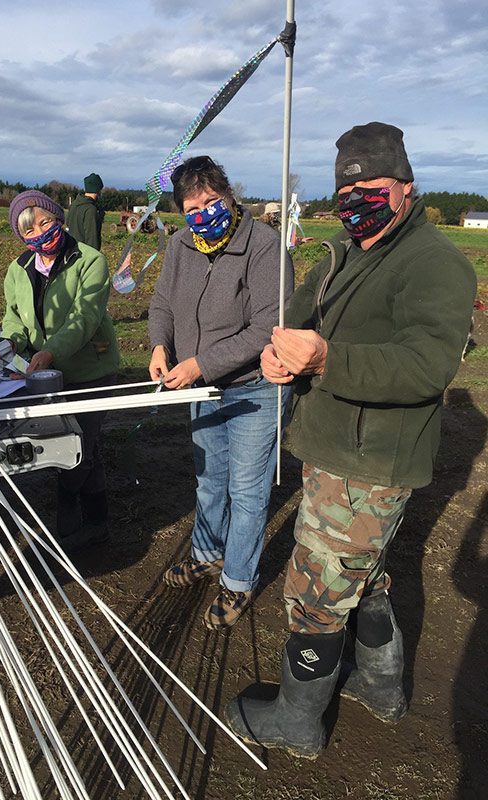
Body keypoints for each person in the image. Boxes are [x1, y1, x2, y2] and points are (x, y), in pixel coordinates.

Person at [225, 122, 477, 757]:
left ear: (407, 188)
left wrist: (323, 362)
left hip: (367, 459)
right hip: (334, 442)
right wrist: (282, 353)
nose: (356, 196)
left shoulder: (436, 265)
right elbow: (299, 313)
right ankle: (380, 685)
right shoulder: (346, 248)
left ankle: (296, 722)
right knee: (366, 574)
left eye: (371, 184)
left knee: (316, 593)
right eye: (346, 187)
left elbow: (426, 365)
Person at [148, 155, 293, 630]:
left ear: (229, 195)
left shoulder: (265, 246)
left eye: (211, 200)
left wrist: (200, 365)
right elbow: (163, 301)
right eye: (192, 206)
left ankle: (237, 581)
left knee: (247, 492)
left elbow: (267, 328)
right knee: (210, 480)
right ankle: (208, 555)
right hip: (202, 390)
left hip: (254, 389)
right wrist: (159, 345)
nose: (203, 212)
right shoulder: (180, 245)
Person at [0, 190, 119, 551]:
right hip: (43, 374)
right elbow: (13, 317)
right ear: (22, 236)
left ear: (58, 218)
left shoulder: (90, 261)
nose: (41, 232)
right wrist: (10, 342)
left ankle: (72, 504)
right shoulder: (18, 269)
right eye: (30, 229)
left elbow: (85, 317)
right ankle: (97, 520)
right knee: (75, 443)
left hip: (90, 368)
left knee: (83, 442)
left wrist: (49, 352)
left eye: (46, 221)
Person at [66, 173, 105, 250]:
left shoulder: (74, 205)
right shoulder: (90, 209)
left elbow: (69, 225)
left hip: (71, 252)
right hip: (85, 255)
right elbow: (92, 239)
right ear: (98, 190)